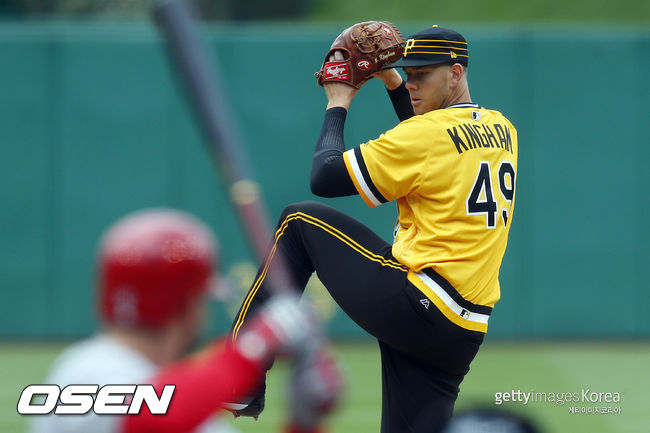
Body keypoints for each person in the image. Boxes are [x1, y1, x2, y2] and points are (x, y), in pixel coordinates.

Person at [226, 25, 518, 433]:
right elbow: (433, 143)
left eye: (422, 74)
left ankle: (240, 375)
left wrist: (338, 102)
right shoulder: (502, 128)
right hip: (461, 333)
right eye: (409, 73)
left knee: (299, 222)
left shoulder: (425, 135)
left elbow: (325, 177)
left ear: (455, 73)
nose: (412, 83)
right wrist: (393, 82)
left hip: (419, 303)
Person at [30, 208, 340, 433]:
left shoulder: (193, 413)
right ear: (187, 305)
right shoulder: (84, 374)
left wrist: (303, 424)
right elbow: (155, 415)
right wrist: (257, 343)